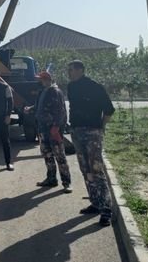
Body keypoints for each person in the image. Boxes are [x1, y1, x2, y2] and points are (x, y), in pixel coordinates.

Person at [67, 60, 115, 227]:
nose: (69, 73)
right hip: (76, 132)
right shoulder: (71, 87)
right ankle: (95, 203)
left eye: (71, 70)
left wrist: (102, 126)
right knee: (85, 169)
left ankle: (106, 210)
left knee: (96, 169)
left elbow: (109, 109)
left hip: (92, 132)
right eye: (68, 70)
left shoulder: (95, 87)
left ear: (80, 70)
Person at [31, 71, 72, 193]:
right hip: (43, 129)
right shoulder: (43, 91)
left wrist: (56, 126)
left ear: (48, 80)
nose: (41, 81)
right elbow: (39, 106)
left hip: (53, 130)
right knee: (47, 155)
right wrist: (31, 109)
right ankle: (51, 179)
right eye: (40, 79)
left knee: (60, 156)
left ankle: (67, 183)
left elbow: (61, 111)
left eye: (42, 79)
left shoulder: (55, 92)